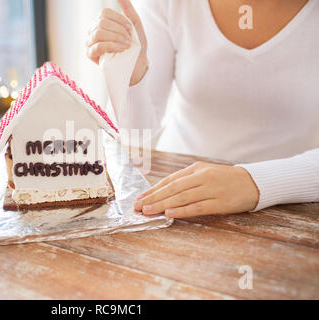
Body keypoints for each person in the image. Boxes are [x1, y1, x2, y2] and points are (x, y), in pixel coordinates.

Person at [86, 0, 319, 218]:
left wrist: (252, 182)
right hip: (173, 198)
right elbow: (135, 138)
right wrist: (132, 75)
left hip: (288, 209)